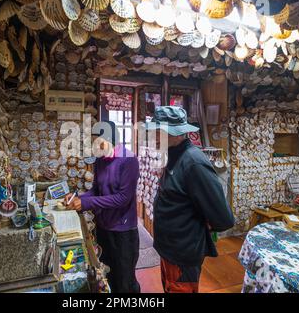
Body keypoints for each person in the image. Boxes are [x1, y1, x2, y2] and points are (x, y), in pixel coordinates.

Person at [145, 106, 235, 293]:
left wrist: (196, 226)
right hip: (170, 249)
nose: (153, 135)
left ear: (177, 134)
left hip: (182, 253)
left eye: (159, 131)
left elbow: (223, 218)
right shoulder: (173, 155)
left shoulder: (193, 162)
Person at [65, 121, 141, 293]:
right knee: (107, 277)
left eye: (98, 141)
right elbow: (96, 191)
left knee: (125, 281)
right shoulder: (100, 161)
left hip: (123, 232)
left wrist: (86, 203)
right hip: (104, 227)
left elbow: (122, 198)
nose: (95, 146)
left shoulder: (128, 160)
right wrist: (77, 198)